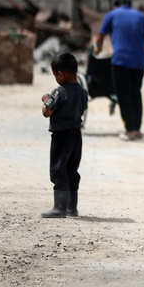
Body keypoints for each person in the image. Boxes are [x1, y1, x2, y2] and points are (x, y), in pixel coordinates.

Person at [94, 0, 144, 141]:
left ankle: (130, 130)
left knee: (124, 95)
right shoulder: (141, 16)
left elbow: (100, 35)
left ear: (116, 6)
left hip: (121, 61)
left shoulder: (112, 14)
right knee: (135, 93)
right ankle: (137, 129)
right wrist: (140, 51)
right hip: (139, 61)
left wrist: (97, 49)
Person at [41, 53, 88, 218]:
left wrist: (46, 99)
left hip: (61, 136)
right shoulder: (82, 91)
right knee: (71, 170)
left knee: (58, 169)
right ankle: (71, 207)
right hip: (76, 136)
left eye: (55, 75)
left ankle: (59, 208)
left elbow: (47, 112)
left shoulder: (59, 92)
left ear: (60, 74)